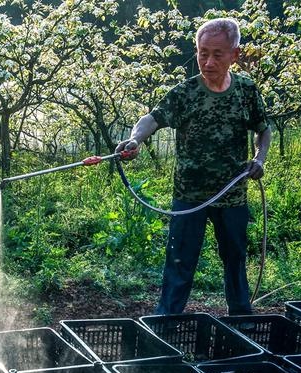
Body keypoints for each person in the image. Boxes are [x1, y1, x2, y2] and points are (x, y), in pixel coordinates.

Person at [115, 17, 271, 316]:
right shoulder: (185, 92)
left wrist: (259, 158)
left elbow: (264, 129)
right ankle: (166, 321)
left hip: (232, 195)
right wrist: (134, 140)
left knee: (235, 259)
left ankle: (241, 321)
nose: (208, 61)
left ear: (234, 55)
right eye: (202, 53)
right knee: (179, 262)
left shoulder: (246, 91)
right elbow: (152, 118)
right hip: (189, 196)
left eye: (217, 54)